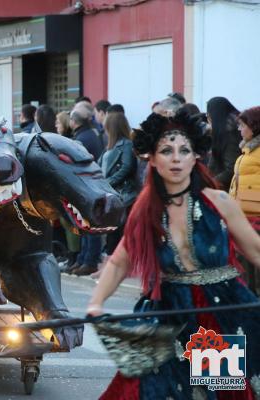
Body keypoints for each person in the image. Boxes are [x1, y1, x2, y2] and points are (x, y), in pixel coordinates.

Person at [87, 110, 260, 399]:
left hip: (214, 316)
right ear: (152, 159)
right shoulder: (145, 210)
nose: (176, 158)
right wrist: (96, 304)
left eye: (184, 150)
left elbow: (255, 249)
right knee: (152, 390)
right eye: (167, 150)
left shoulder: (219, 202)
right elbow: (119, 261)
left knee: (209, 392)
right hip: (168, 317)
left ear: (195, 158)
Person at [66, 103, 104, 275]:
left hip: (87, 186)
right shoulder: (91, 134)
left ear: (74, 122)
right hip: (91, 185)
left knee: (89, 225)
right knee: (85, 224)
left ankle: (88, 261)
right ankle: (83, 259)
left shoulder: (82, 139)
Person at [98, 112, 139, 256]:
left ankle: (117, 263)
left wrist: (109, 182)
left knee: (119, 231)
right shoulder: (110, 145)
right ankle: (109, 262)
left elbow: (127, 167)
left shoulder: (126, 144)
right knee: (111, 231)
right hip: (111, 193)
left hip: (123, 194)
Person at [229, 106, 260, 295]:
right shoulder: (248, 150)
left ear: (254, 126)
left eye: (242, 125)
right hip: (244, 215)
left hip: (255, 216)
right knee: (245, 267)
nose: (239, 129)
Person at [207, 96, 241, 190]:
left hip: (226, 190)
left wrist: (211, 183)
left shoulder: (230, 134)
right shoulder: (224, 130)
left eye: (209, 115)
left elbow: (231, 169)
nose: (208, 119)